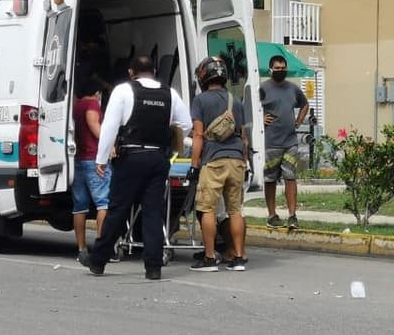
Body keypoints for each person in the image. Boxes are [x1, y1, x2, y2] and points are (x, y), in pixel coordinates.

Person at [87, 55, 191, 280]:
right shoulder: (169, 93)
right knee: (153, 212)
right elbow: (187, 124)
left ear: (131, 72)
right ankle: (153, 267)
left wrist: (101, 159)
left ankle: (98, 260)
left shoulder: (123, 91)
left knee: (118, 210)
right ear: (153, 71)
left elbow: (110, 127)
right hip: (158, 159)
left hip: (131, 157)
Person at [188, 57, 249, 272]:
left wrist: (194, 165)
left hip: (213, 161)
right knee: (235, 211)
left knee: (207, 210)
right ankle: (239, 257)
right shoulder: (236, 100)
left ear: (204, 75)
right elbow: (244, 137)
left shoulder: (200, 101)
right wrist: (245, 162)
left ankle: (210, 257)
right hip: (237, 161)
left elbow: (198, 135)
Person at [261, 54, 309, 229]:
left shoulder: (293, 89)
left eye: (283, 68)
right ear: (271, 69)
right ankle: (272, 215)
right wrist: (260, 119)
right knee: (270, 180)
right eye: (278, 68)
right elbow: (249, 107)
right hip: (270, 143)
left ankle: (292, 216)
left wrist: (298, 121)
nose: (281, 71)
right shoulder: (263, 88)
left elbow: (305, 104)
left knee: (290, 177)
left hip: (290, 142)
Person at [71, 76, 109, 267]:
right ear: (97, 92)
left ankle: (81, 248)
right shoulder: (93, 103)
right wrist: (109, 144)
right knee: (104, 203)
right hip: (94, 158)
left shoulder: (76, 105)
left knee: (80, 206)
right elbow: (95, 126)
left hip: (78, 158)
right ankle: (102, 248)